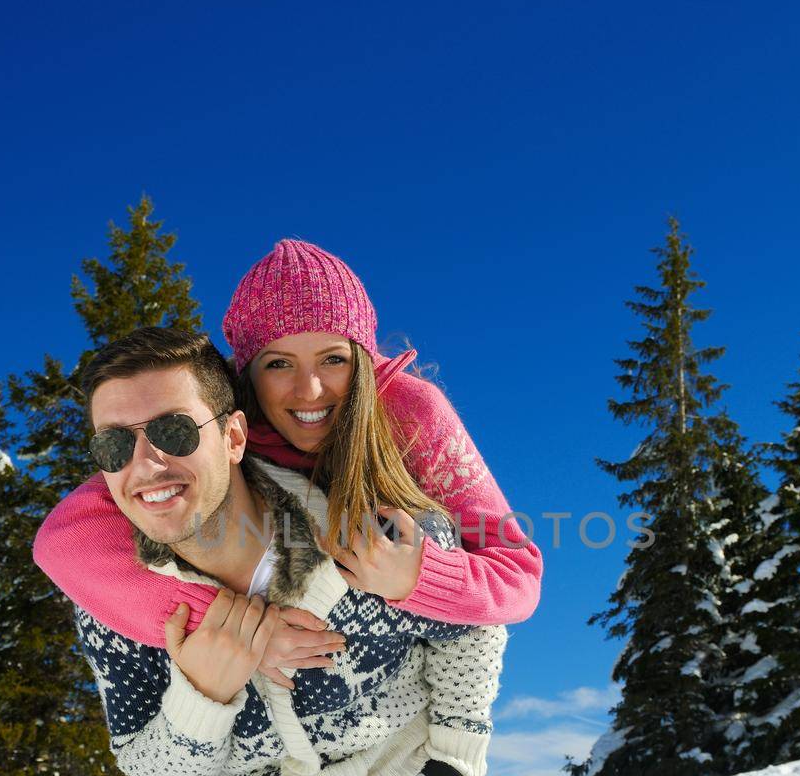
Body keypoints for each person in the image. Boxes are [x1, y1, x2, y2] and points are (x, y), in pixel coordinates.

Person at [66, 325, 508, 776]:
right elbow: (152, 764)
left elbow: (470, 624)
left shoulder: (365, 522)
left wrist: (457, 773)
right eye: (115, 445)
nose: (146, 463)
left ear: (235, 434)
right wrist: (202, 697)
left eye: (174, 430)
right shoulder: (115, 594)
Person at [33, 239, 542, 680]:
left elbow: (517, 575)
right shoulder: (212, 427)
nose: (310, 390)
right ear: (246, 373)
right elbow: (65, 539)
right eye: (279, 364)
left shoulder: (409, 414)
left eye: (333, 359)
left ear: (362, 361)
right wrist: (237, 630)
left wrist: (418, 578)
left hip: (395, 651)